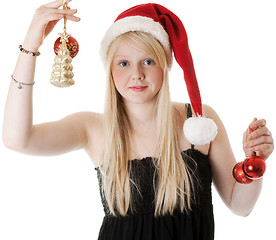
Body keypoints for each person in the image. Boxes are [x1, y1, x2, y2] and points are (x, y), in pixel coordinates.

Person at [2, 0, 274, 239]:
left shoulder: (200, 120)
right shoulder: (93, 128)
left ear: (165, 64)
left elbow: (241, 206)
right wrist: (30, 46)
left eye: (147, 61)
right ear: (110, 69)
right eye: (123, 63)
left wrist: (255, 161)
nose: (137, 74)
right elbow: (17, 139)